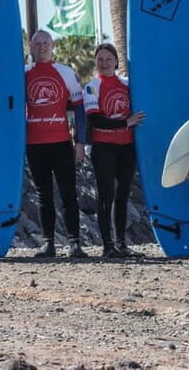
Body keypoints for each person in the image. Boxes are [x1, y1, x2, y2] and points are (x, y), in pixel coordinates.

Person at [26, 30, 88, 258]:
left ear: (52, 45)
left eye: (45, 43)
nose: (41, 47)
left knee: (68, 193)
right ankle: (48, 243)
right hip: (34, 143)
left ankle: (74, 243)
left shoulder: (65, 72)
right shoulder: (24, 74)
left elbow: (79, 109)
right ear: (31, 47)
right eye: (37, 43)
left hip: (61, 142)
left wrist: (80, 142)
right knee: (43, 195)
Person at [84, 44, 146, 258]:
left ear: (117, 62)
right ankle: (108, 245)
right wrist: (125, 123)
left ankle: (122, 244)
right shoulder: (91, 87)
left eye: (109, 59)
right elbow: (95, 119)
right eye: (100, 59)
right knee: (106, 196)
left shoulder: (128, 85)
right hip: (103, 148)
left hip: (127, 147)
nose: (104, 63)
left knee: (123, 195)